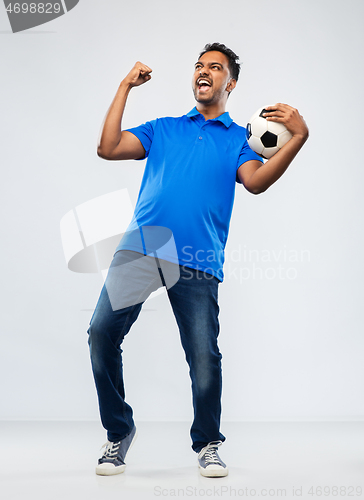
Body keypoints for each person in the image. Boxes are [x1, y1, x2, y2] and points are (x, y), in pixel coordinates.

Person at [88, 42, 309, 478]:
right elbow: (108, 148)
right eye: (198, 66)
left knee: (203, 357)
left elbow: (257, 182)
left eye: (215, 67)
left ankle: (208, 443)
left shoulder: (239, 140)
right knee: (100, 333)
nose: (203, 72)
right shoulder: (164, 128)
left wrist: (299, 137)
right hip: (142, 247)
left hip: (197, 257)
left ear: (231, 82)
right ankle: (119, 432)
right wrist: (123, 87)